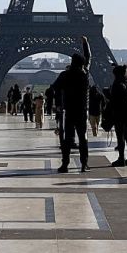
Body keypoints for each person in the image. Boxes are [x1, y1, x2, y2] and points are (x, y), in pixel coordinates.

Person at [49, 38, 92, 172]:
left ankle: (65, 164)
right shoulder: (84, 74)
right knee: (83, 138)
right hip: (81, 110)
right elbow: (88, 58)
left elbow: (53, 88)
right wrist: (85, 43)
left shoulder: (65, 75)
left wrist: (58, 102)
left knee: (67, 139)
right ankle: (84, 164)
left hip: (68, 111)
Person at [107, 64, 127, 166]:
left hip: (119, 114)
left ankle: (121, 159)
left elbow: (114, 101)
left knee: (120, 137)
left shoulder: (117, 84)